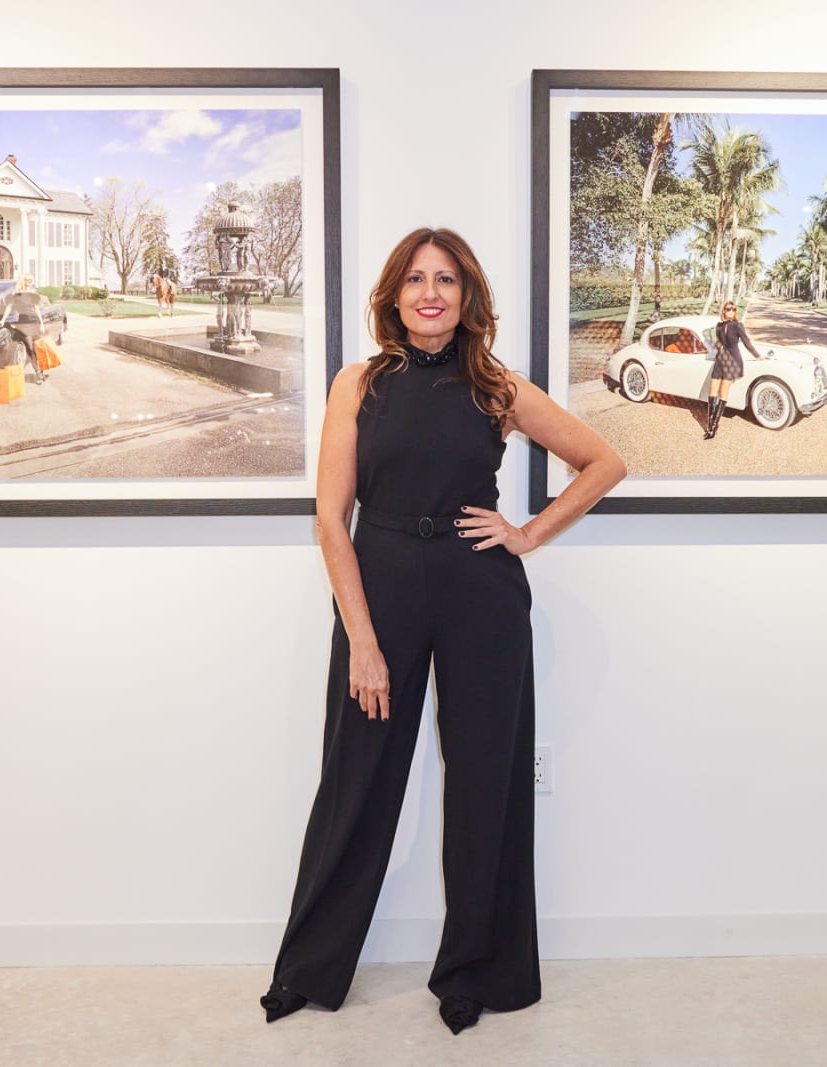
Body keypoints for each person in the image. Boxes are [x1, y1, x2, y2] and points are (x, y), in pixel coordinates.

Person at [260, 228, 625, 1035]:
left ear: (467, 297)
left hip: (479, 592)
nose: (431, 292)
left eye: (447, 280)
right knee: (357, 777)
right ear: (394, 295)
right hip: (381, 584)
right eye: (417, 279)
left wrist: (527, 533)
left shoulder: (494, 385)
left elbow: (603, 461)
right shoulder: (357, 385)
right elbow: (331, 518)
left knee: (485, 782)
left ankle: (477, 971)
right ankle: (311, 968)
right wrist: (361, 637)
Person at [704, 300, 766, 439]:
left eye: (733, 309)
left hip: (732, 360)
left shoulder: (738, 325)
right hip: (720, 360)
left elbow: (747, 342)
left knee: (722, 391)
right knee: (712, 389)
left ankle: (713, 428)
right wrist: (712, 353)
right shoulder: (719, 326)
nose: (731, 312)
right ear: (724, 311)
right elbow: (718, 344)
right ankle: (710, 424)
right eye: (728, 309)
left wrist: (758, 355)